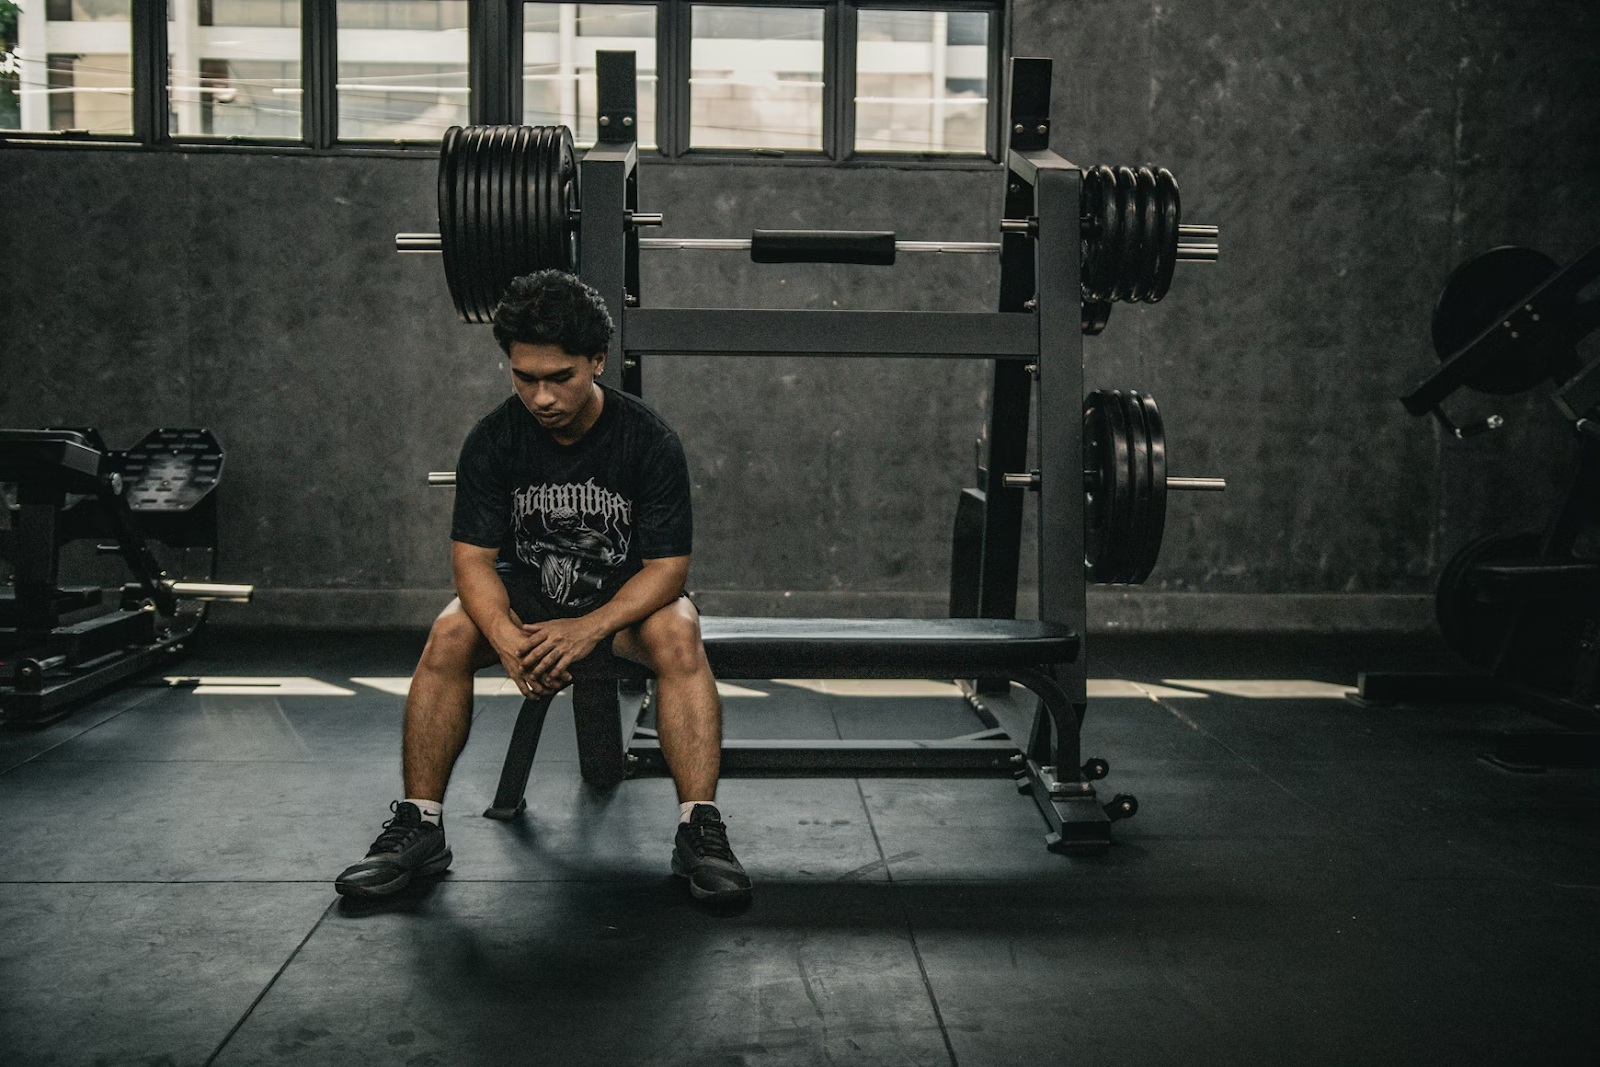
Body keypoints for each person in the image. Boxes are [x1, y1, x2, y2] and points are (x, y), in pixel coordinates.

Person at [335, 270, 750, 906]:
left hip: (622, 601)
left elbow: (668, 568)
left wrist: (588, 629)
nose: (542, 396)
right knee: (449, 633)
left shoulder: (648, 440)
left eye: (560, 378)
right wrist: (504, 636)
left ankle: (699, 827)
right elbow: (472, 560)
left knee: (680, 633)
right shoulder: (493, 440)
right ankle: (419, 826)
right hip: (528, 598)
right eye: (525, 377)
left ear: (597, 361)